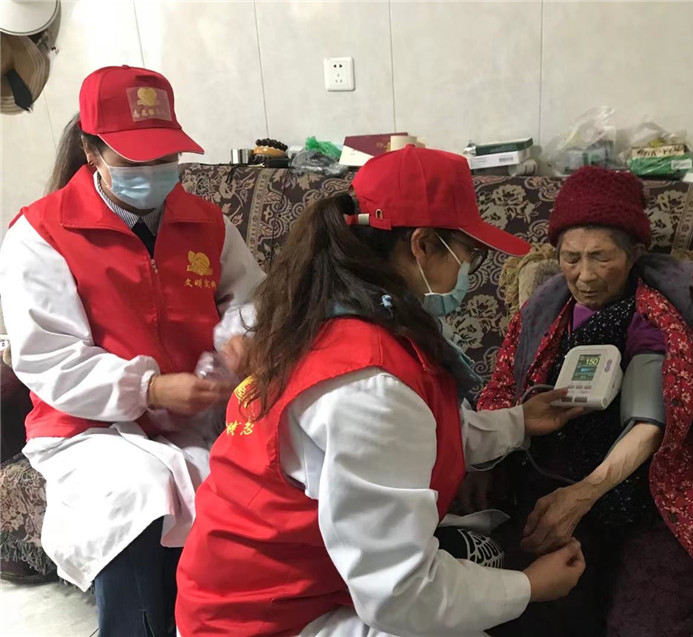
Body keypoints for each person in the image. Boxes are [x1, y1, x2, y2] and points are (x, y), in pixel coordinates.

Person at [176, 146, 588, 637]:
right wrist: (529, 588)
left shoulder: (334, 315)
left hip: (270, 583)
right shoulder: (369, 385)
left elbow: (413, 434)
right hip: (262, 620)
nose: (468, 271)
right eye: (468, 254)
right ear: (423, 246)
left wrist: (517, 423)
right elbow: (401, 594)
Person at [477, 166, 693, 637]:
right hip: (558, 474)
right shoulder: (546, 312)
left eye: (601, 257)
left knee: (644, 624)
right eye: (571, 258)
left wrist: (584, 494)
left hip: (652, 488)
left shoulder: (652, 315)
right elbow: (503, 394)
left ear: (634, 254)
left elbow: (651, 422)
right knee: (537, 612)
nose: (585, 276)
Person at [0, 65, 265, 637]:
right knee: (137, 493)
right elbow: (47, 357)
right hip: (88, 425)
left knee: (245, 477)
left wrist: (241, 338)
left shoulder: (207, 222)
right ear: (92, 152)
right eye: (134, 160)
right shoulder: (41, 235)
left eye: (164, 157)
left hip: (197, 414)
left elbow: (248, 299)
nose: (153, 172)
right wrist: (148, 388)